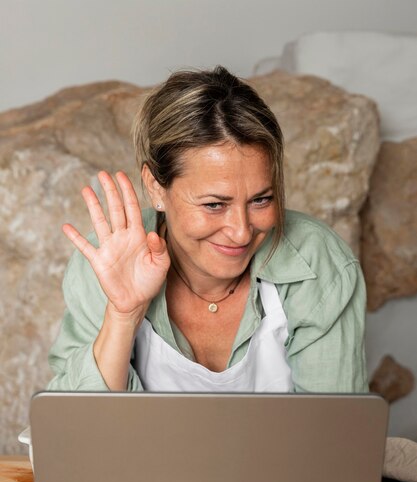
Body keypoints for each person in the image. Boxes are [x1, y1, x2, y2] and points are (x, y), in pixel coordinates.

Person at [47, 66, 368, 393]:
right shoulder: (110, 259)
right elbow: (80, 429)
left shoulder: (319, 262)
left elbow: (333, 435)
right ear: (156, 188)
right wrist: (123, 314)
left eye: (261, 199)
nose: (241, 232)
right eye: (214, 204)